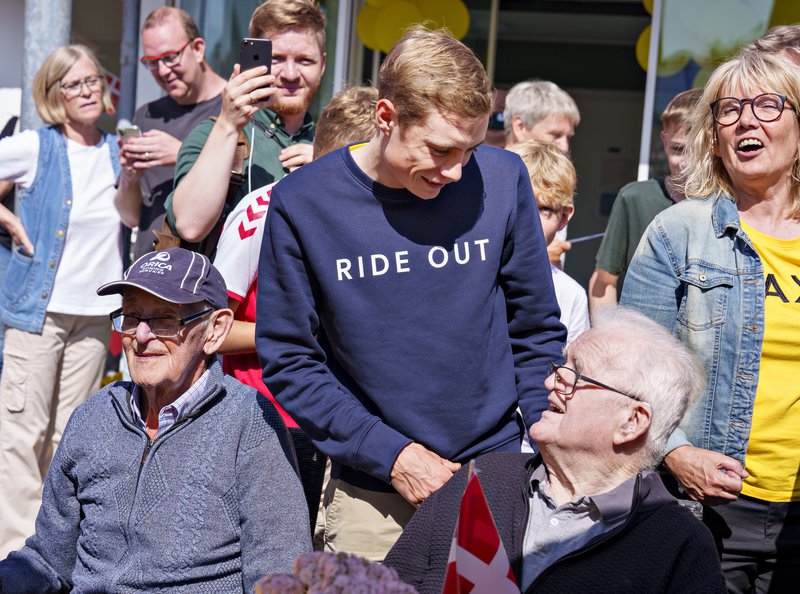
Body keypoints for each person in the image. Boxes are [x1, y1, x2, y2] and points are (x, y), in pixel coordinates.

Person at [256, 26, 565, 562]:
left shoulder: (504, 177)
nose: (456, 171)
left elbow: (535, 327)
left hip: (490, 481)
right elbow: (289, 359)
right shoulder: (303, 203)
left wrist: (543, 441)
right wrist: (393, 455)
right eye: (441, 150)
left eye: (469, 150)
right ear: (385, 117)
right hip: (371, 491)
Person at [0, 248, 310, 592]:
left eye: (165, 319)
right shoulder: (95, 416)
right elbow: (48, 560)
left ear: (215, 330)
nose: (142, 337)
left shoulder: (250, 422)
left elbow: (280, 576)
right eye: (132, 317)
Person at [385, 307, 726, 594]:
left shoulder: (677, 544)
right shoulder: (484, 478)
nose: (550, 382)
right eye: (559, 368)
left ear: (631, 422)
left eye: (575, 375)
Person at [621, 51, 800, 592]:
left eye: (768, 105)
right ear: (714, 135)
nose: (747, 120)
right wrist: (676, 454)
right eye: (729, 110)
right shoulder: (678, 233)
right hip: (710, 511)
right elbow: (629, 375)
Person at [214, 85, 378, 532]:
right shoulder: (262, 210)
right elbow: (211, 329)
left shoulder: (381, 215)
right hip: (275, 420)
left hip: (356, 423)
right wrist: (294, 329)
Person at [0, 45, 133, 557]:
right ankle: (16, 555)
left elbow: (129, 212)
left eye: (92, 81)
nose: (86, 91)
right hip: (38, 312)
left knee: (67, 439)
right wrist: (9, 218)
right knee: (21, 435)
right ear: (55, 94)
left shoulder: (118, 150)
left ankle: (54, 547)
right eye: (73, 84)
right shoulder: (37, 146)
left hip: (97, 316)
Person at [166, 0, 326, 252]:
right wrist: (229, 124)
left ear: (323, 65)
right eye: (277, 59)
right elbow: (189, 225)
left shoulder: (333, 144)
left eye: (305, 60)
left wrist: (329, 164)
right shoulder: (214, 133)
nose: (291, 74)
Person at [114, 7, 226, 259]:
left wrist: (181, 153)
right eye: (152, 63)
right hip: (148, 275)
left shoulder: (235, 107)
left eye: (170, 57)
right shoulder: (147, 116)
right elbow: (130, 216)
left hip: (206, 275)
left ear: (197, 49)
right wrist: (129, 177)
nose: (162, 71)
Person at [588, 88, 701, 312]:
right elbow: (603, 283)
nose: (686, 163)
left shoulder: (730, 204)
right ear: (664, 141)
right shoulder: (635, 198)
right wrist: (612, 339)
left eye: (698, 150)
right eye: (678, 149)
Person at [507, 140, 588, 345]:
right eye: (518, 204)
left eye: (544, 209)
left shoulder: (571, 296)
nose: (528, 219)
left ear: (563, 218)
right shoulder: (471, 274)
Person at [503, 80, 580, 266]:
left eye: (568, 137)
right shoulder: (483, 180)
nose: (565, 146)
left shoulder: (557, 182)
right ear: (520, 127)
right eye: (555, 135)